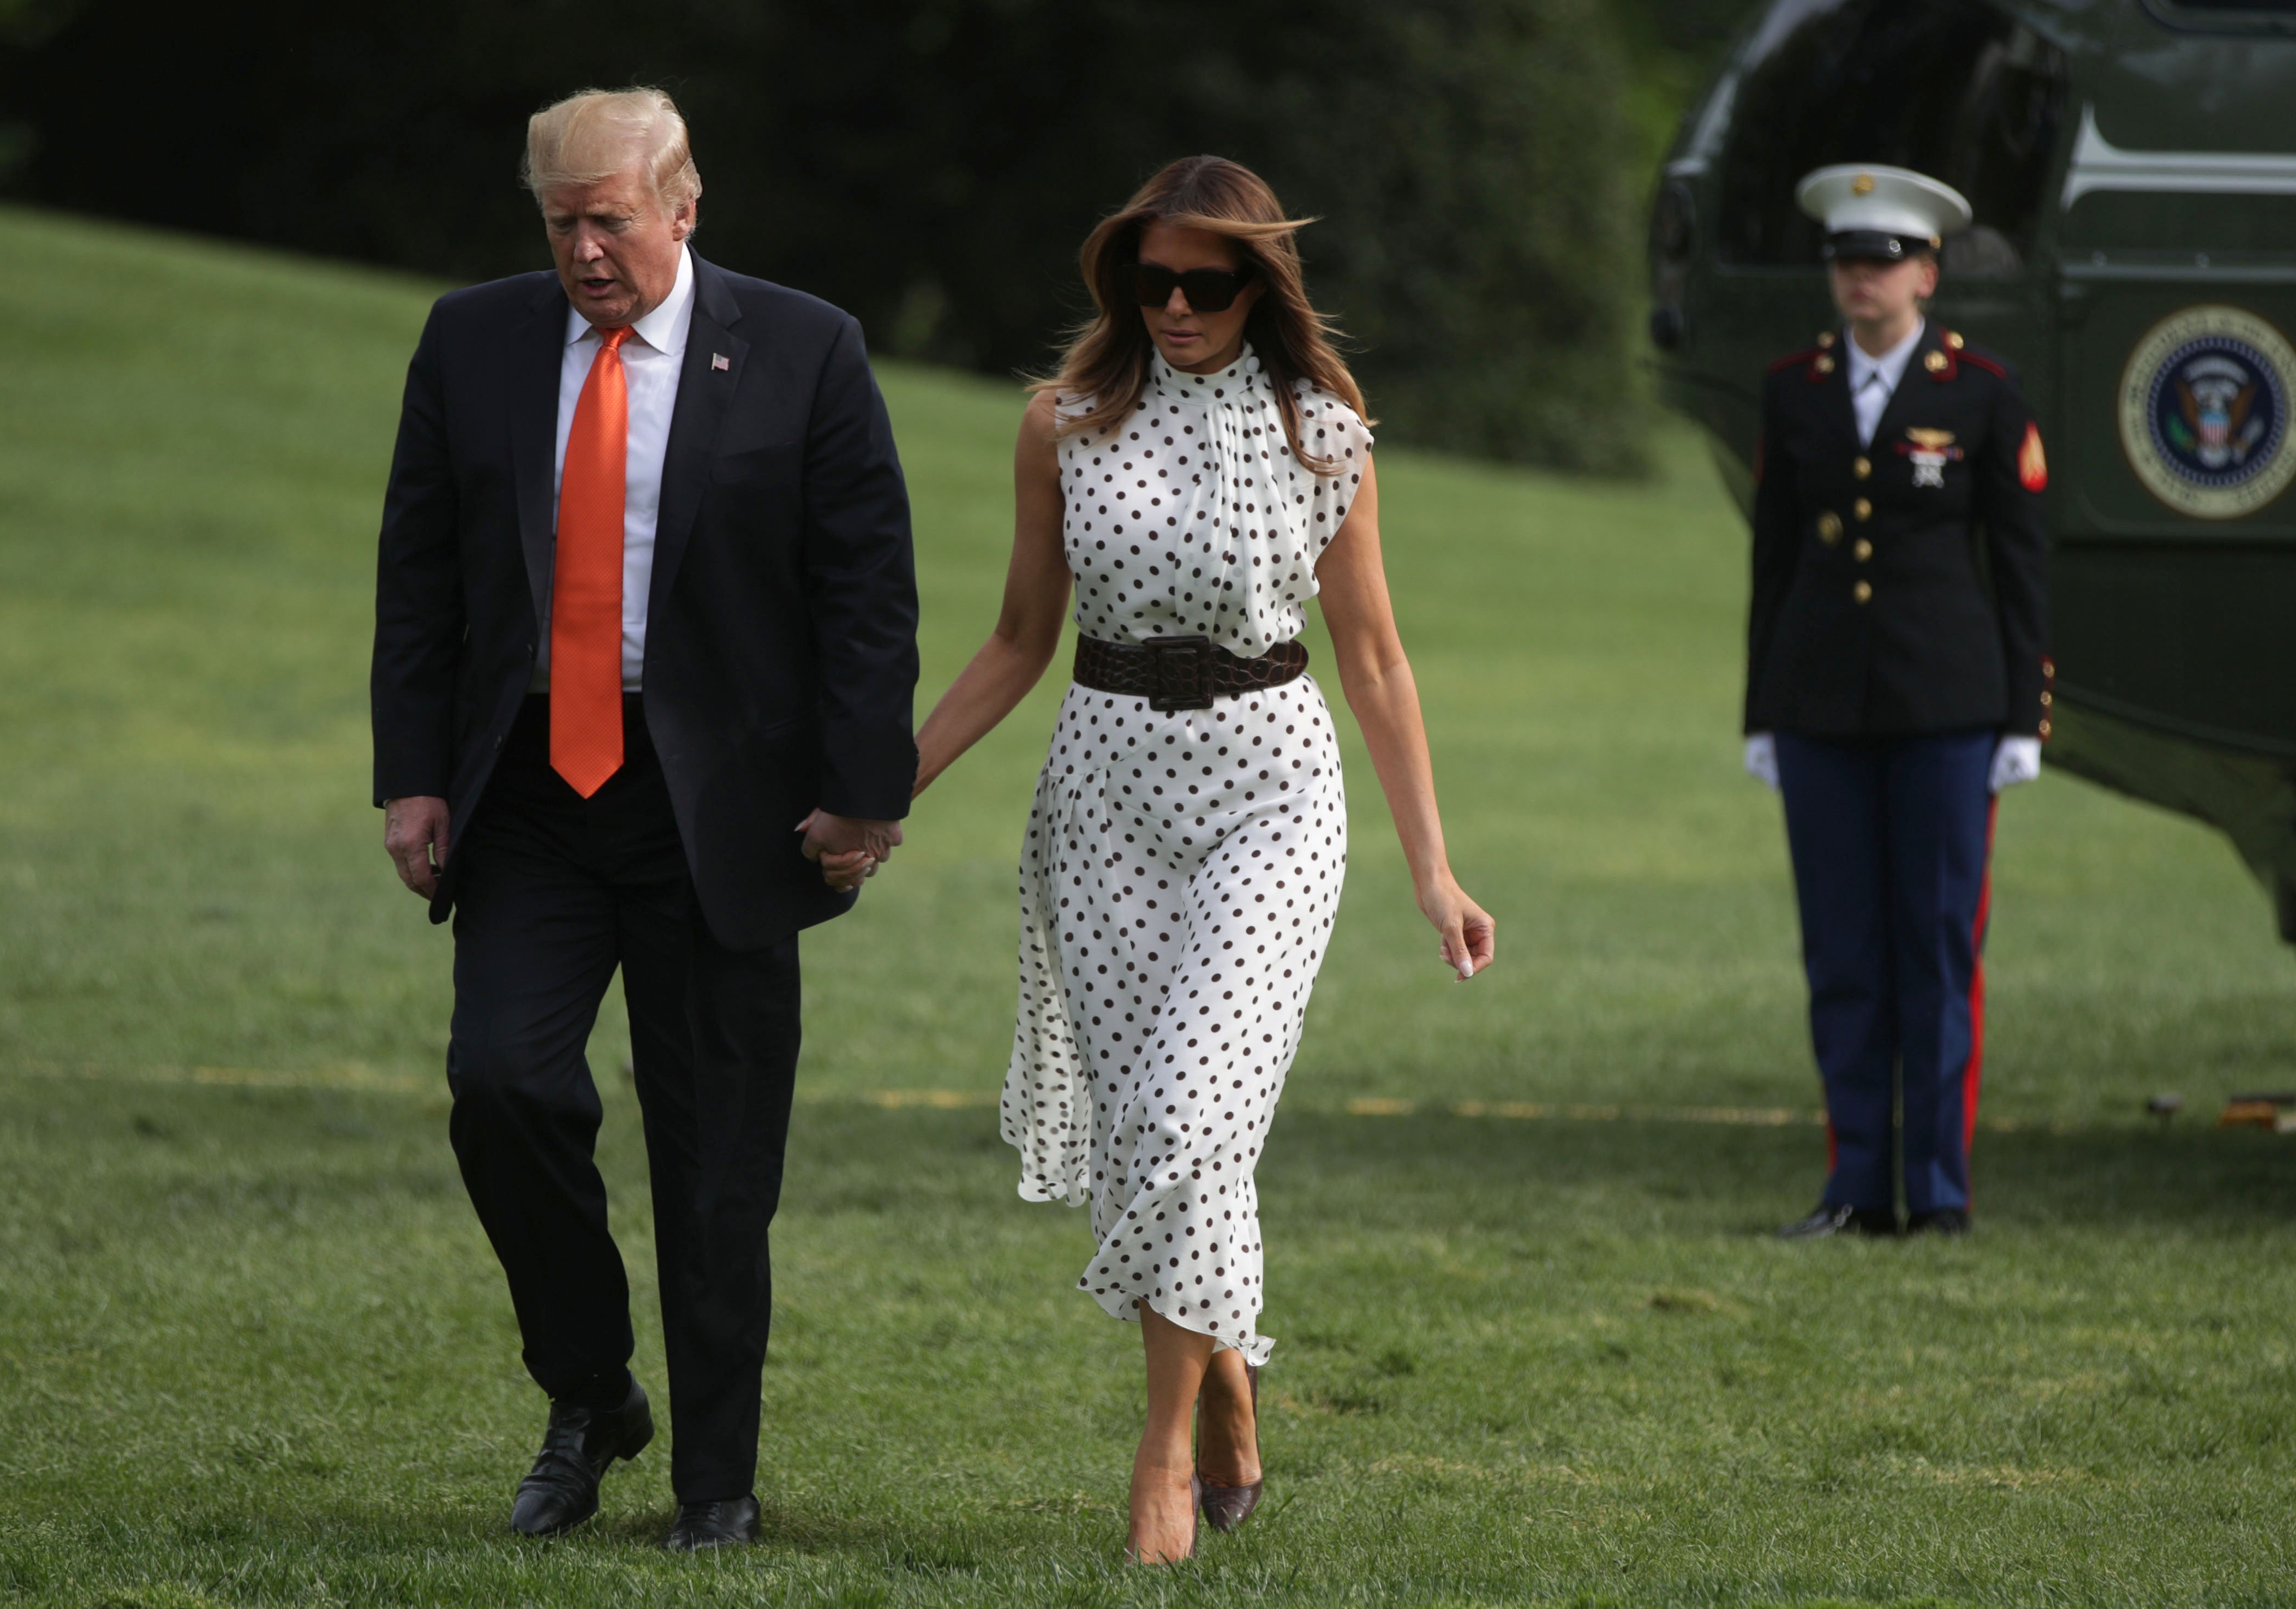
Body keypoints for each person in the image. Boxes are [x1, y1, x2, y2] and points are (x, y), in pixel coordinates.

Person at [901, 155, 1494, 1565]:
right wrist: (887, 790)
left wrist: (1435, 870)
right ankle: (1228, 1391)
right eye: (1149, 279)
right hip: (1101, 792)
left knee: (1185, 1113)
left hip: (1273, 794)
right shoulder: (1064, 423)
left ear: (1257, 289)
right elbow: (1015, 642)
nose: (1173, 304)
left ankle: (1162, 1453)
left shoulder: (1321, 428)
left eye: (1204, 284)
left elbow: (1377, 659)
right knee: (1152, 1147)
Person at [369, 87, 916, 1550]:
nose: (584, 250)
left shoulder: (806, 348)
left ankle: (715, 1488)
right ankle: (592, 1387)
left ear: (683, 204)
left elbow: (865, 593)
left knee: (715, 1163)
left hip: (722, 816)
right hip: (534, 798)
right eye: (561, 221)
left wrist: (869, 788)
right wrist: (411, 772)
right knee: (502, 1085)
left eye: (609, 217)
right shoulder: (472, 339)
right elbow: (421, 574)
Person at [1743, 164, 2051, 1241]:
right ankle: (1858, 1188)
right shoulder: (1795, 386)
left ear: (1925, 273)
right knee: (1841, 952)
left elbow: (2018, 568)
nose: (1860, 279)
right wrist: (1759, 712)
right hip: (1821, 708)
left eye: (1881, 263)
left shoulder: (1982, 390)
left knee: (1933, 947)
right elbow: (1772, 560)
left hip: (1948, 709)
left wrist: (2022, 717)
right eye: (1845, 261)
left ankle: (1943, 1192)